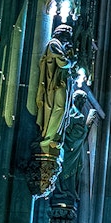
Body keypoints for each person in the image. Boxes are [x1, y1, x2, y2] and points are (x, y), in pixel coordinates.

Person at [36, 25, 75, 153]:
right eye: (67, 36)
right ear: (60, 34)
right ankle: (48, 138)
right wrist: (72, 62)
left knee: (64, 110)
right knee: (59, 108)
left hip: (62, 83)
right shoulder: (54, 44)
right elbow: (62, 63)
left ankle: (56, 137)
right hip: (55, 84)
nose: (68, 40)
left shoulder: (61, 46)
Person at [54, 90, 98, 205]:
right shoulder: (72, 112)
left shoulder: (78, 114)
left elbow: (80, 133)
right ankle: (63, 189)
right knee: (65, 169)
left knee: (79, 167)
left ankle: (71, 190)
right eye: (82, 100)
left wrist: (85, 128)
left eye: (84, 101)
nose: (83, 103)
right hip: (69, 148)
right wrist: (85, 128)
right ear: (76, 99)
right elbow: (69, 132)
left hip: (76, 149)